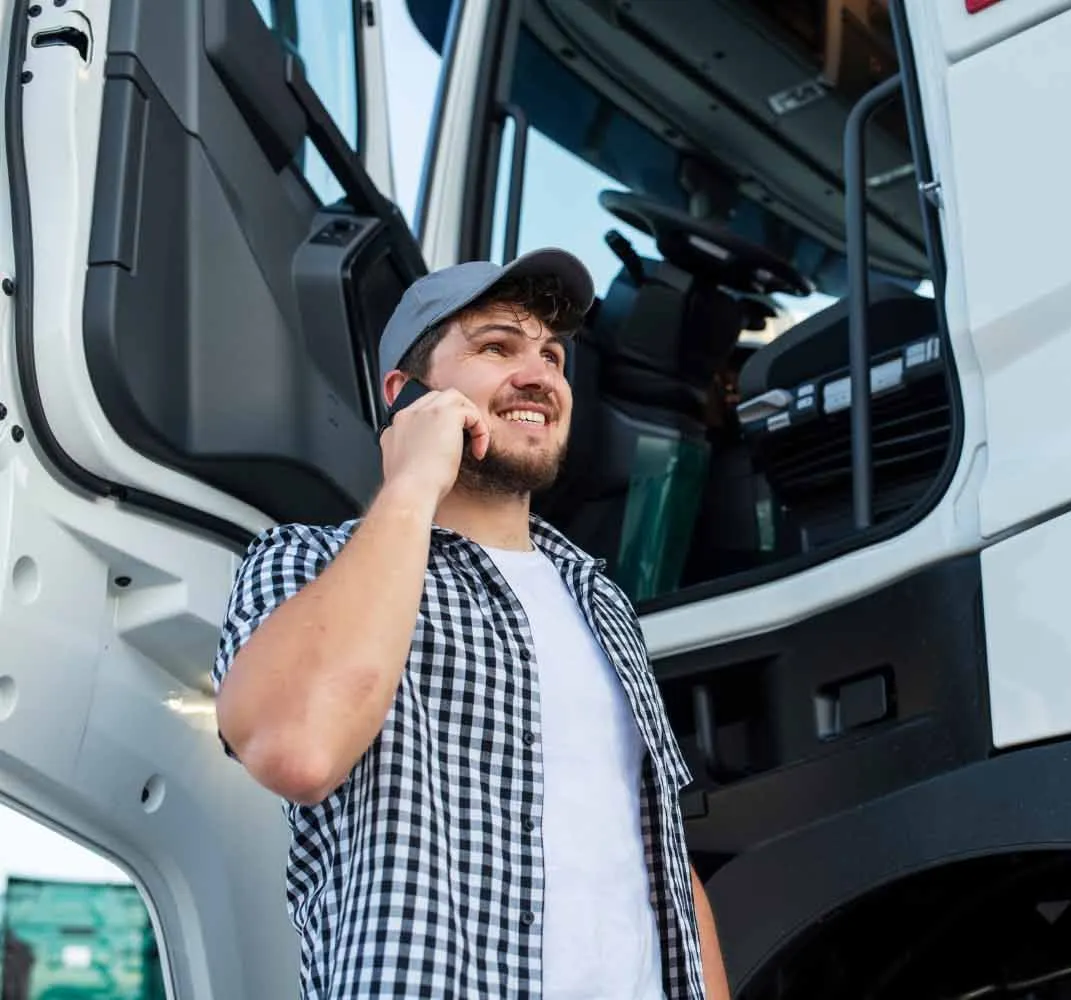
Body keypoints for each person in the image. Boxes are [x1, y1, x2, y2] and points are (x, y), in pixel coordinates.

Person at [211, 248, 730, 1000]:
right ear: (405, 391)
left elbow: (660, 856)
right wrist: (416, 478)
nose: (540, 375)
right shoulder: (304, 563)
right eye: (496, 347)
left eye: (552, 355)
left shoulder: (601, 599)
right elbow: (297, 747)